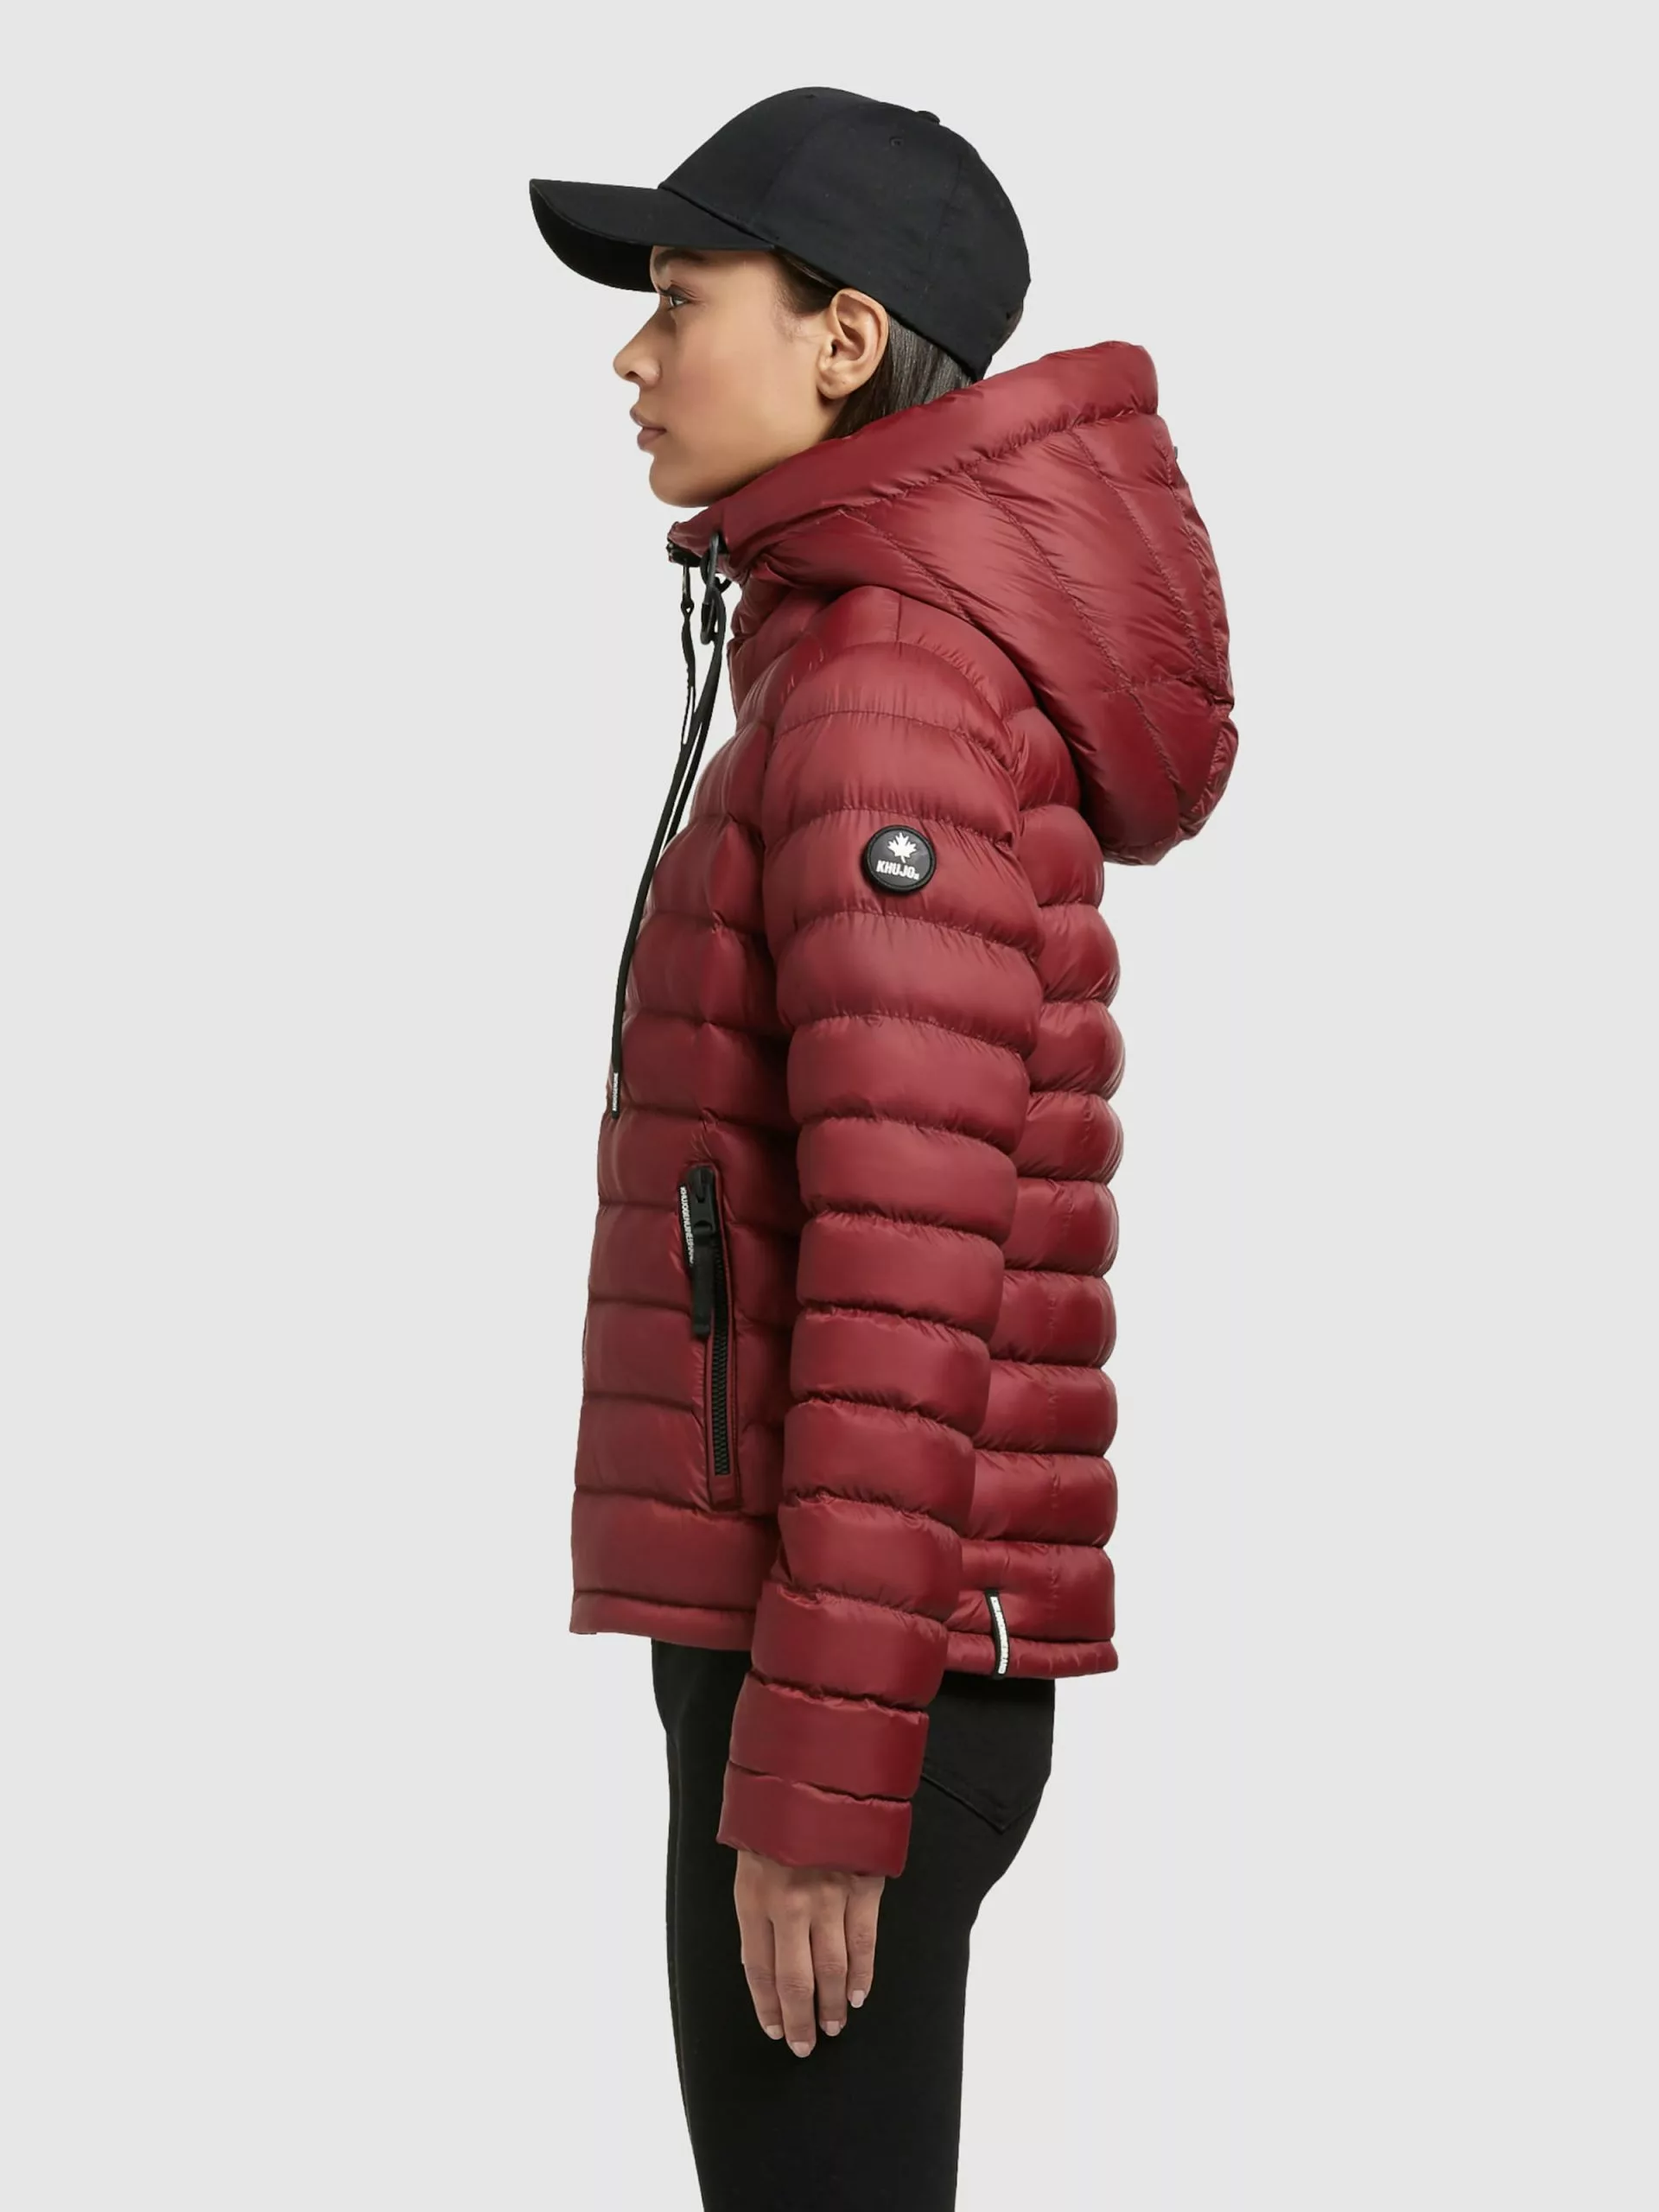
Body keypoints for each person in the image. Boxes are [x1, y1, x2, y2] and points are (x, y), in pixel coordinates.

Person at [527, 85, 1237, 2210]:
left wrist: (823, 1775)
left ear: (844, 341)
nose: (633, 355)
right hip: (850, 1644)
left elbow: (908, 1269)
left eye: (682, 299)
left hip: (850, 1670)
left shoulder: (884, 698)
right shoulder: (854, 662)